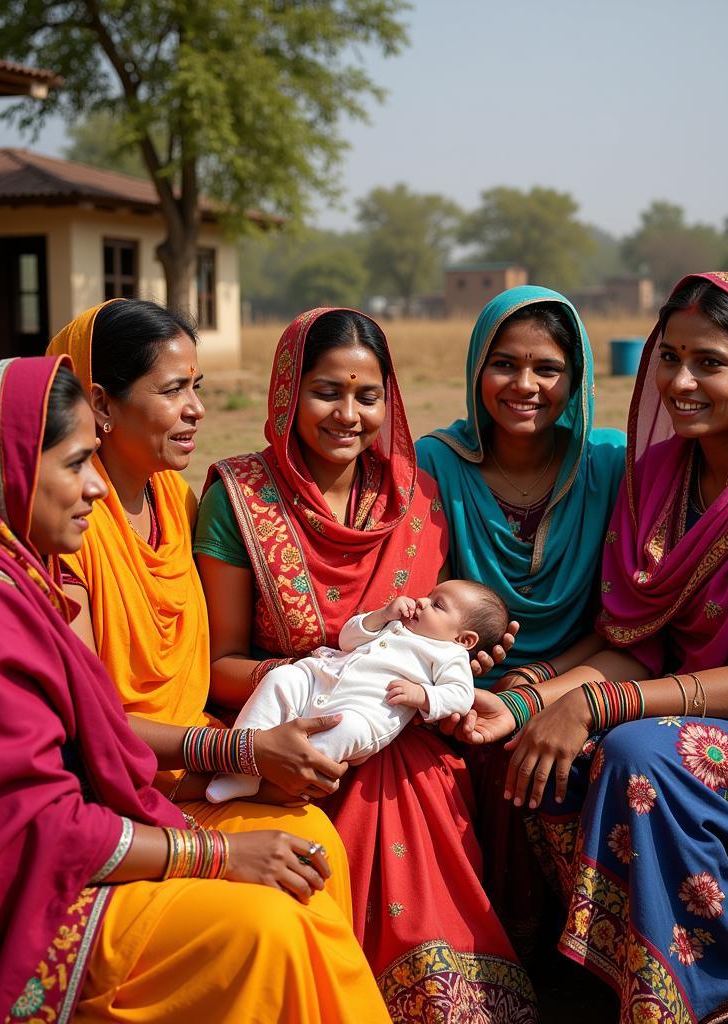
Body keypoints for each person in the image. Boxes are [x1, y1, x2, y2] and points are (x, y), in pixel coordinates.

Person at [0, 357, 390, 1022]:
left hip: (86, 838)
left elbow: (91, 751)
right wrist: (220, 853)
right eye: (73, 463)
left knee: (303, 851)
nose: (93, 488)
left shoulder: (14, 574)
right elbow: (38, 835)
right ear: (1, 469)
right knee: (265, 932)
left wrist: (236, 765)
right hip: (1, 915)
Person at [462, 273, 728, 1024]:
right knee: (543, 755)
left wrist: (597, 703)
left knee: (637, 756)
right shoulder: (662, 476)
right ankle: (622, 979)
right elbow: (636, 645)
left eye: (711, 362)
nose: (682, 382)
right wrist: (526, 702)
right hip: (695, 715)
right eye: (671, 357)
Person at [197, 307, 538, 1021]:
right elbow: (220, 661)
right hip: (286, 715)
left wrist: (456, 670)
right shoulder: (237, 498)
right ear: (289, 391)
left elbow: (452, 634)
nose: (348, 414)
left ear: (390, 399)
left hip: (396, 722)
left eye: (368, 395)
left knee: (413, 773)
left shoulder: (417, 499)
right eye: (327, 391)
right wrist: (316, 676)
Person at [45, 299, 355, 912]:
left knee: (315, 842)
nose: (197, 409)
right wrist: (241, 753)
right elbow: (91, 722)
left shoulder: (174, 499)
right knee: (271, 914)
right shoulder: (68, 532)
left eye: (198, 386)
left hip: (188, 774)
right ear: (101, 404)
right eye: (172, 390)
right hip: (113, 794)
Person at [416, 285, 625, 951]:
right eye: (503, 364)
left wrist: (537, 683)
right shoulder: (434, 465)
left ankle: (579, 951)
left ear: (576, 376)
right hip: (451, 679)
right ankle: (477, 945)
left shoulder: (611, 465)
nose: (524, 385)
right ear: (477, 367)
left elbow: (628, 624)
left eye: (548, 369)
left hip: (582, 674)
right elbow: (419, 600)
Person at [207, 580, 508, 802]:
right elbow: (348, 641)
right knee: (280, 679)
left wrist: (422, 696)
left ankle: (290, 783)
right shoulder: (397, 623)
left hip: (365, 712)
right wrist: (381, 616)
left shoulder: (449, 656)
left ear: (465, 640)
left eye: (437, 604)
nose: (422, 601)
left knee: (346, 730)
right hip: (321, 679)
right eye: (428, 595)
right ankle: (241, 770)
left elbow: (460, 695)